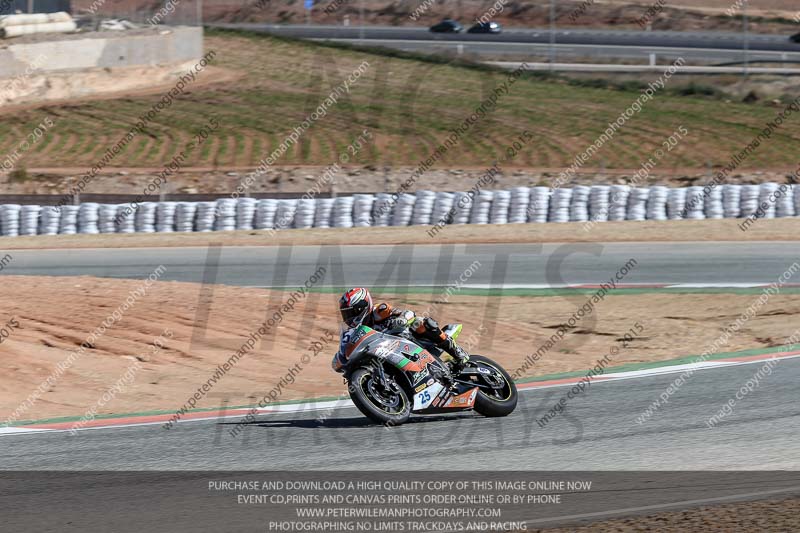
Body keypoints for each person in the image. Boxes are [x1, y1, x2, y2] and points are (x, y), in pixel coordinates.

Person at [332, 287, 470, 373]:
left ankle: (457, 352)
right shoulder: (355, 331)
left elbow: (408, 313)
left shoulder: (379, 310)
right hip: (389, 351)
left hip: (407, 338)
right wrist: (341, 358)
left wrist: (402, 319)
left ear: (363, 307)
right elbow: (347, 345)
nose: (349, 317)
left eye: (352, 312)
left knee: (420, 323)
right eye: (346, 314)